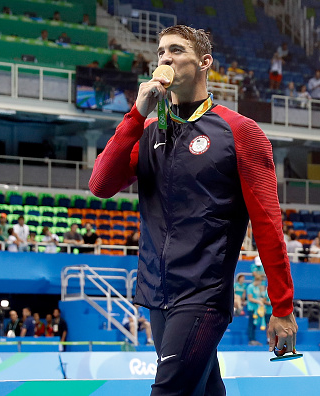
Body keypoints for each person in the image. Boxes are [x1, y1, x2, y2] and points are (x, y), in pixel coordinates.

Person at [89, 25, 296, 395]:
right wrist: (135, 116)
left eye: (176, 50)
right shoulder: (149, 130)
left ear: (204, 63)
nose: (165, 58)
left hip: (203, 293)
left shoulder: (240, 132)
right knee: (203, 390)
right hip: (155, 292)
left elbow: (268, 225)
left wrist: (281, 305)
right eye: (160, 52)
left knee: (169, 391)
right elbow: (100, 185)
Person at [246, 276, 264, 345]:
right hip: (251, 308)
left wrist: (261, 300)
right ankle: (251, 339)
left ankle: (253, 339)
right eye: (259, 282)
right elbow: (250, 298)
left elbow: (258, 297)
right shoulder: (250, 287)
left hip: (257, 309)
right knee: (251, 324)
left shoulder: (257, 288)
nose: (260, 283)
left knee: (254, 324)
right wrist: (258, 302)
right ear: (256, 280)